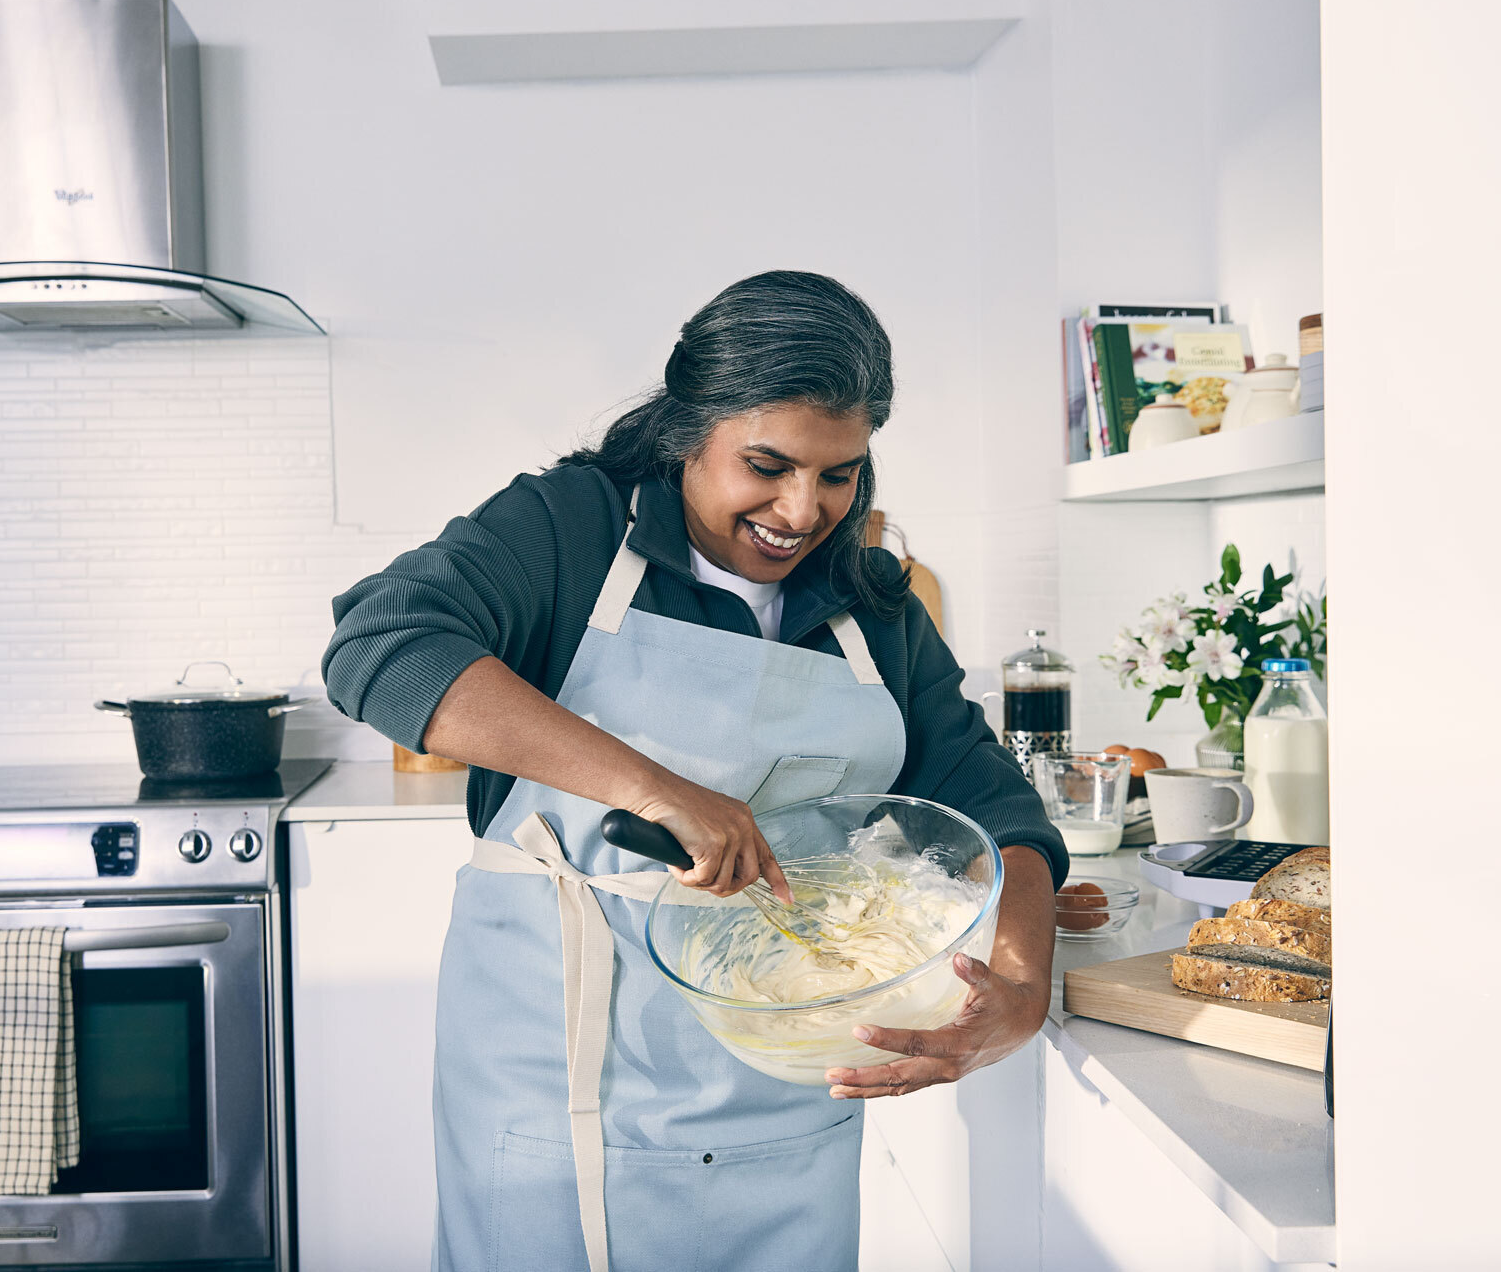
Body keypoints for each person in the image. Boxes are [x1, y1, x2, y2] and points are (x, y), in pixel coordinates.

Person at [323, 270, 1065, 1271]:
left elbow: (988, 799)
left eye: (839, 473)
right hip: (566, 1073)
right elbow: (381, 646)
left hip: (786, 1097)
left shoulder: (870, 598)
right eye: (766, 463)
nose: (801, 509)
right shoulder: (572, 529)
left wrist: (1017, 989)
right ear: (686, 433)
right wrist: (654, 787)